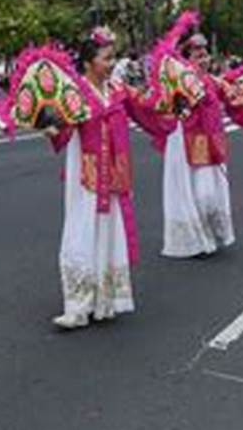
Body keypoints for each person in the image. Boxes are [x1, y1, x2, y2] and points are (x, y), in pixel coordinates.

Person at [44, 30, 169, 329]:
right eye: (107, 58)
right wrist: (51, 128)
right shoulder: (74, 93)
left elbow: (146, 110)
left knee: (110, 233)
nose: (113, 63)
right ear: (88, 62)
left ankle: (105, 299)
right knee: (80, 231)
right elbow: (58, 125)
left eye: (113, 57)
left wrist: (171, 105)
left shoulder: (117, 89)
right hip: (85, 174)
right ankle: (76, 306)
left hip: (114, 174)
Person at [157, 33, 243, 259]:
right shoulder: (179, 80)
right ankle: (194, 241)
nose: (204, 60)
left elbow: (236, 102)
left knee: (211, 192)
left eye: (206, 55)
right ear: (186, 59)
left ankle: (210, 236)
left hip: (211, 143)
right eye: (198, 56)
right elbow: (165, 104)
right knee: (197, 194)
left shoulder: (215, 82)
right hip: (187, 141)